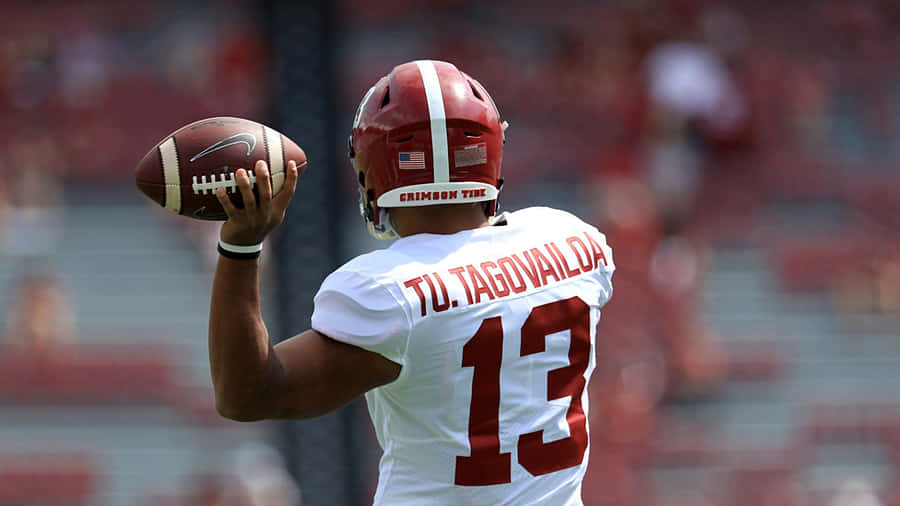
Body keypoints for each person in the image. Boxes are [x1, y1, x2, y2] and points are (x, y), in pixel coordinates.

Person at [208, 60, 614, 505]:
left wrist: (241, 248)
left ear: (372, 174)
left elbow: (246, 396)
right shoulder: (573, 241)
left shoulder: (389, 292)